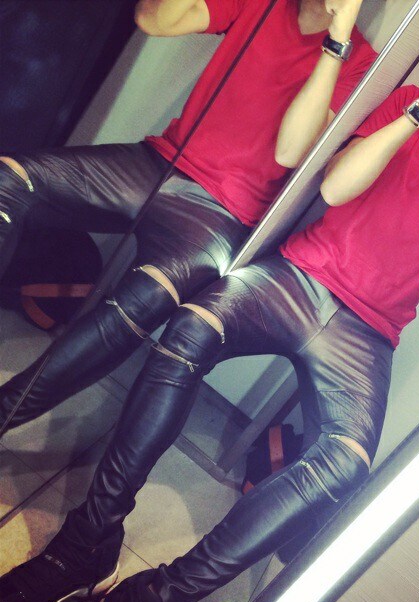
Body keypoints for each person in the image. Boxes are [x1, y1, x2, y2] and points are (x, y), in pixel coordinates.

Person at [0, 12, 419, 602]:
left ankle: (157, 600)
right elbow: (335, 189)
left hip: (368, 332)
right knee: (191, 330)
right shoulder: (414, 104)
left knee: (347, 463)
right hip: (295, 280)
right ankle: (87, 542)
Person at [0, 0, 375, 436]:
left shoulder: (356, 59)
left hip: (221, 212)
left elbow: (291, 151)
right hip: (159, 164)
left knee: (139, 305)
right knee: (10, 178)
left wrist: (336, 42)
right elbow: (153, 18)